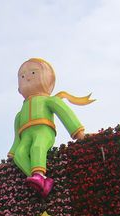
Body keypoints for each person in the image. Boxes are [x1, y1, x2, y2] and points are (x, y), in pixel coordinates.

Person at [9, 58, 90, 196]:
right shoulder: (19, 115)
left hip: (44, 131)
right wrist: (12, 151)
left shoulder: (49, 100)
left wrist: (78, 132)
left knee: (37, 147)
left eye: (33, 73)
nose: (27, 77)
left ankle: (39, 175)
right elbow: (17, 135)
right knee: (20, 154)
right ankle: (41, 181)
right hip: (26, 134)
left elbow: (65, 113)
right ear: (18, 88)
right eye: (22, 76)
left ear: (48, 80)